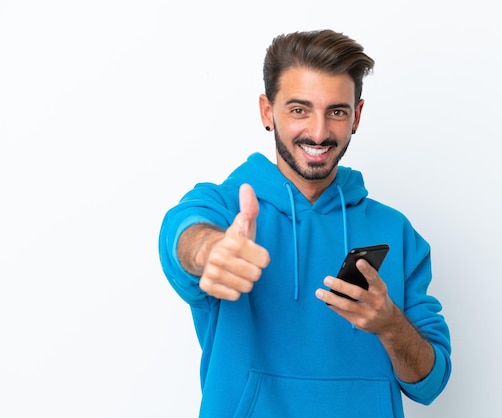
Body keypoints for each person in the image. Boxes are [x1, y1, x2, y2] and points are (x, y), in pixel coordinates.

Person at [158, 29, 452, 418]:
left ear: (357, 116)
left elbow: (431, 383)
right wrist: (211, 251)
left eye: (337, 111)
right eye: (299, 110)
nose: (319, 132)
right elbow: (183, 233)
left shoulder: (395, 231)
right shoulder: (227, 206)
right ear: (267, 111)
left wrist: (390, 324)